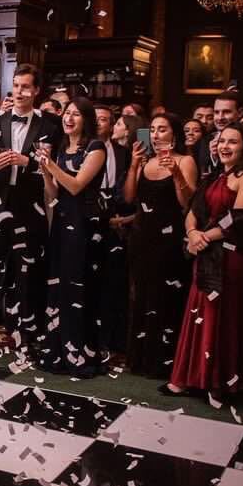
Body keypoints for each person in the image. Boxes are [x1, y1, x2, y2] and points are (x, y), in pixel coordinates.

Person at [161, 123, 243, 403]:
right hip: (204, 252)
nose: (224, 146)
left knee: (222, 317)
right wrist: (192, 233)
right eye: (221, 141)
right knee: (198, 312)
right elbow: (193, 210)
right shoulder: (214, 175)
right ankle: (190, 377)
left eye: (232, 142)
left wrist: (204, 236)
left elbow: (242, 221)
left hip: (230, 258)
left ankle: (217, 381)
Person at [0, 63, 63, 356]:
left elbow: (55, 168)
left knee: (25, 276)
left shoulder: (50, 125)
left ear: (36, 91)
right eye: (16, 86)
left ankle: (22, 338)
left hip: (30, 210)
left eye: (25, 87)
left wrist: (29, 163)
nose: (19, 91)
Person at [123, 113, 197, 378]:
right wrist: (133, 165)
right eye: (152, 129)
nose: (155, 135)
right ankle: (140, 359)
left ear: (174, 134)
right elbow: (130, 197)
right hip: (142, 236)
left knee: (166, 297)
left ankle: (164, 362)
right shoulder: (145, 161)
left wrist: (176, 174)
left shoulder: (185, 160)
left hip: (169, 238)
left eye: (162, 130)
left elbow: (186, 203)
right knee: (141, 295)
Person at [37, 98, 107, 375]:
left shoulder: (96, 148)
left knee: (79, 285)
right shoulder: (64, 147)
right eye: (67, 113)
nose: (69, 118)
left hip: (84, 223)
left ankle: (80, 350)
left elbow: (77, 186)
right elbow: (54, 192)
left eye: (76, 114)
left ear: (86, 119)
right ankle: (57, 349)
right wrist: (44, 170)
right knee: (59, 283)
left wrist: (51, 164)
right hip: (62, 220)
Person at [99, 108, 138, 356]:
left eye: (106, 120)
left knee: (118, 283)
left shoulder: (125, 152)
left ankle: (118, 339)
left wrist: (123, 219)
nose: (100, 123)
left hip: (125, 222)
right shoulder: (84, 148)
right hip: (95, 220)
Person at [195, 91, 243, 179]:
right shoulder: (206, 139)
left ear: (240, 113)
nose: (220, 117)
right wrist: (214, 157)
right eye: (216, 112)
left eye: (226, 112)